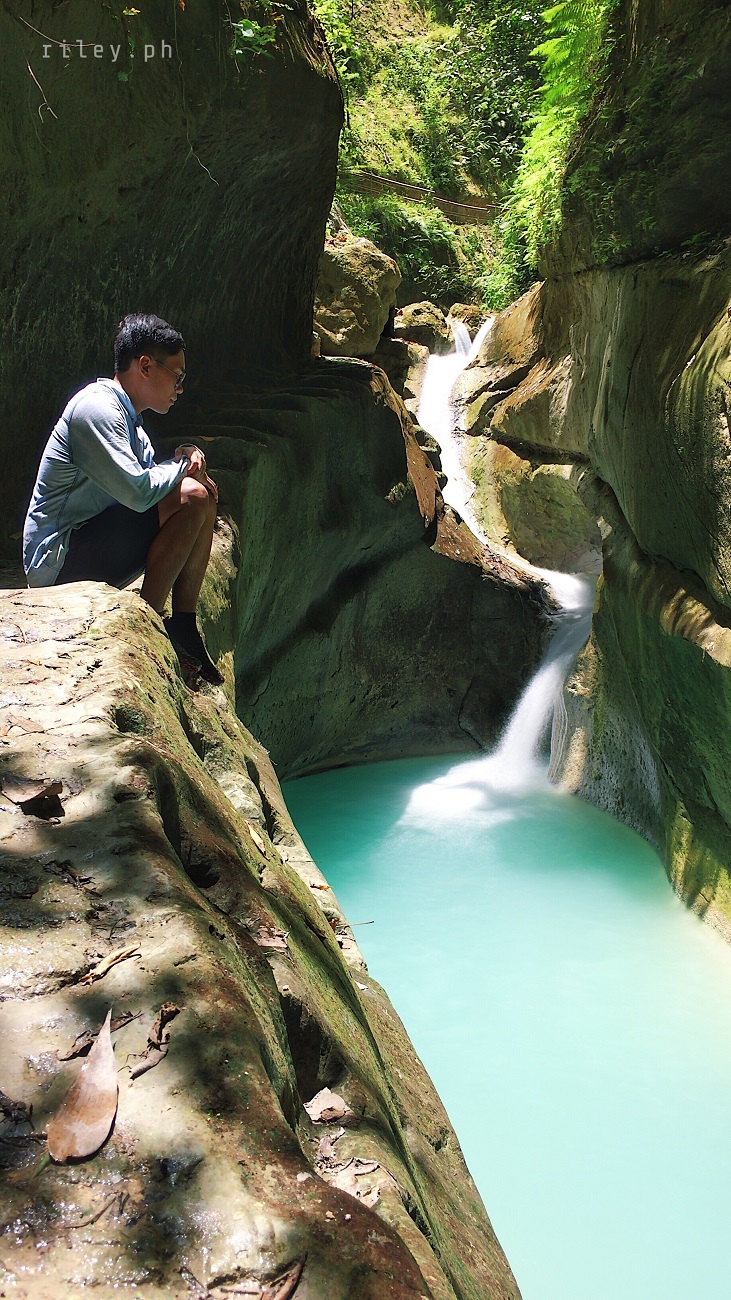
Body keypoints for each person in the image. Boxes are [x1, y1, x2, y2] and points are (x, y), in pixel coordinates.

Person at [22, 313, 223, 684]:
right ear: (145, 365)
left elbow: (156, 488)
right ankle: (149, 623)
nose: (180, 387)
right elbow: (139, 492)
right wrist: (182, 465)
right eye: (177, 376)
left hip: (90, 546)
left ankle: (183, 627)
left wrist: (186, 465)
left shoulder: (133, 425)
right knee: (193, 495)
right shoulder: (97, 408)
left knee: (202, 495)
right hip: (58, 564)